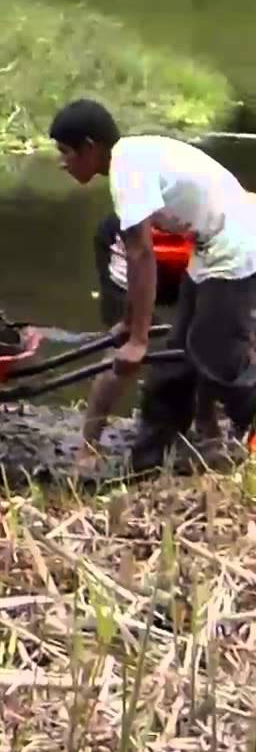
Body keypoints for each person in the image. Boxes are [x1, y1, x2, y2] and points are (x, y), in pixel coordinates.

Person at [51, 97, 256, 471]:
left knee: (216, 353)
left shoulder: (126, 172)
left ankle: (244, 426)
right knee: (179, 356)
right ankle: (149, 461)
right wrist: (131, 323)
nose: (62, 162)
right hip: (210, 243)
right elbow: (137, 261)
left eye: (66, 151)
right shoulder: (130, 159)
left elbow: (142, 255)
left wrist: (138, 340)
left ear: (90, 147)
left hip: (235, 240)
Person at [78, 210, 198, 462]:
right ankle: (88, 446)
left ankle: (208, 428)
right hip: (135, 245)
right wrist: (136, 333)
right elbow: (139, 254)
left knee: (208, 336)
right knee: (125, 348)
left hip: (193, 257)